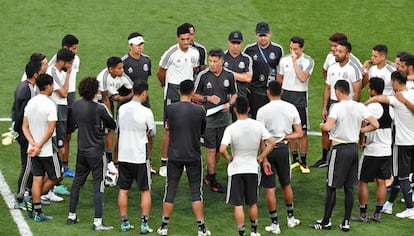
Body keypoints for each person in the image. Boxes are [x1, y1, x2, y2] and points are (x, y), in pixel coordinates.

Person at [310, 80, 378, 232]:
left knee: (331, 187)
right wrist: (361, 131)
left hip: (340, 150)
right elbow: (375, 124)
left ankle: (326, 221)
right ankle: (346, 222)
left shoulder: (337, 107)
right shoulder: (359, 106)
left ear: (338, 91)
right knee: (348, 188)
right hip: (354, 149)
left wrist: (322, 126)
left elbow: (328, 126)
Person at [157, 80, 211, 236]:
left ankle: (164, 227)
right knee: (196, 192)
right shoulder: (200, 110)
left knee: (171, 189)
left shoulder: (170, 109)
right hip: (193, 155)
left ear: (179, 91)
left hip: (175, 155)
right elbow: (202, 130)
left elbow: (168, 129)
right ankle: (201, 228)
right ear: (192, 91)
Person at [66, 76, 117, 230]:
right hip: (96, 152)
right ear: (95, 90)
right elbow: (112, 124)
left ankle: (71, 215)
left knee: (77, 184)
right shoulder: (100, 108)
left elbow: (71, 124)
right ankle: (97, 222)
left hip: (82, 150)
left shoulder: (76, 104)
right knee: (98, 186)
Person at [220, 96, 275, 236]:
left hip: (236, 169)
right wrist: (262, 157)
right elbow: (272, 142)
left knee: (238, 204)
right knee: (252, 202)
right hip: (252, 168)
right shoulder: (257, 125)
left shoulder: (231, 128)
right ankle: (255, 231)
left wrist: (228, 158)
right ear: (249, 109)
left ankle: (242, 233)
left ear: (235, 110)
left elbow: (221, 149)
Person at [365, 70, 414, 219]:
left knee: (403, 176)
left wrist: (363, 104)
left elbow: (379, 98)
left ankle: (410, 209)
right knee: (399, 175)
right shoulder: (412, 93)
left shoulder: (397, 98)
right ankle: (389, 204)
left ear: (394, 82)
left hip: (402, 143)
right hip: (413, 141)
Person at [256, 80, 303, 234]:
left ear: (268, 92)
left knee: (269, 188)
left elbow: (259, 137)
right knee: (286, 184)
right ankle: (291, 218)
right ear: (281, 92)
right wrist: (285, 137)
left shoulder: (262, 111)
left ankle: (275, 223)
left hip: (268, 150)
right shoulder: (291, 108)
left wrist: (264, 158)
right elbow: (299, 133)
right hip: (283, 149)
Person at [312, 32, 363, 168]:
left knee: (345, 131)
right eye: (336, 51)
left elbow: (357, 92)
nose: (336, 53)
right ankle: (325, 158)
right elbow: (327, 87)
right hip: (333, 103)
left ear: (347, 54)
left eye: (339, 51)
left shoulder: (354, 68)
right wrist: (324, 107)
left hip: (347, 104)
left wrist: (353, 107)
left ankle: (348, 159)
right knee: (326, 130)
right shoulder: (332, 67)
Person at [157, 23, 200, 177]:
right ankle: (164, 162)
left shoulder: (195, 53)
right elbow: (160, 71)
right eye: (183, 39)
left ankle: (181, 160)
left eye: (188, 39)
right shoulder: (171, 53)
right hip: (173, 93)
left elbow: (193, 70)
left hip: (188, 93)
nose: (186, 42)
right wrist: (165, 85)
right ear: (178, 38)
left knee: (185, 128)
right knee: (169, 129)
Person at [193, 48, 237, 193]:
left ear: (222, 62)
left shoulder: (229, 76)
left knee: (219, 149)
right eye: (210, 61)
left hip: (223, 119)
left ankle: (208, 175)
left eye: (215, 61)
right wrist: (208, 98)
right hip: (209, 119)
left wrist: (229, 104)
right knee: (211, 150)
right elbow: (193, 95)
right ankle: (212, 180)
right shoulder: (203, 76)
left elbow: (234, 94)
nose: (211, 64)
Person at [351, 77, 393, 223]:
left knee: (363, 181)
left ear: (373, 90)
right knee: (381, 181)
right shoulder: (390, 107)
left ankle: (363, 214)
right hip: (387, 150)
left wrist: (361, 142)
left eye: (369, 88)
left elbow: (363, 127)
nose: (368, 90)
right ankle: (377, 213)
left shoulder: (372, 107)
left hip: (372, 150)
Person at [22, 73, 62, 222]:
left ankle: (37, 211)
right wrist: (38, 146)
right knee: (58, 176)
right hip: (47, 149)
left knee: (37, 178)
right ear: (49, 86)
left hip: (33, 149)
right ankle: (32, 200)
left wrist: (32, 144)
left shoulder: (31, 102)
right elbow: (51, 130)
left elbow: (24, 127)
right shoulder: (50, 104)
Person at [117, 81, 155, 233]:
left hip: (123, 155)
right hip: (140, 155)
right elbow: (152, 132)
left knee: (123, 189)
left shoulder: (122, 109)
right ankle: (144, 224)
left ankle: (124, 222)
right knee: (145, 190)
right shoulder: (146, 111)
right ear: (144, 93)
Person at [277, 36, 314, 174]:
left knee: (302, 132)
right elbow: (279, 78)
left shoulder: (308, 61)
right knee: (290, 131)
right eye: (291, 48)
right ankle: (294, 159)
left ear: (302, 48)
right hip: (286, 97)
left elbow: (302, 78)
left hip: (299, 99)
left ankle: (303, 161)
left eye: (296, 49)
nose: (293, 51)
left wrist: (295, 62)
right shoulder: (283, 60)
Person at [43, 48, 75, 202]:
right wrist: (68, 74)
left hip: (61, 110)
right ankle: (49, 187)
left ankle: (51, 186)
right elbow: (63, 93)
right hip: (57, 110)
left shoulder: (58, 72)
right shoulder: (53, 72)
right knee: (58, 148)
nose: (70, 67)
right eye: (69, 64)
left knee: (59, 147)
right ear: (62, 62)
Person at [121, 32, 156, 174]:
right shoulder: (123, 62)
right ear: (130, 45)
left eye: (142, 44)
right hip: (127, 101)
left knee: (148, 132)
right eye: (138, 45)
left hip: (144, 101)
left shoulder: (147, 60)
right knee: (124, 132)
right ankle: (118, 162)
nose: (141, 47)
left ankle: (148, 161)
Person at [12, 59, 43, 210]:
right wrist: (17, 130)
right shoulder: (29, 90)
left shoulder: (22, 86)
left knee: (30, 165)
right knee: (28, 166)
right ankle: (19, 197)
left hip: (22, 131)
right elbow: (23, 114)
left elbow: (15, 110)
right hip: (26, 133)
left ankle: (29, 194)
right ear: (36, 74)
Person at [48, 34, 80, 178]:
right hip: (61, 100)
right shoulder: (54, 64)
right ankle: (57, 168)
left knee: (68, 134)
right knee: (57, 134)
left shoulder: (75, 59)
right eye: (73, 48)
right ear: (65, 48)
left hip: (70, 97)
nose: (76, 51)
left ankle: (64, 166)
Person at [96, 56, 133, 175]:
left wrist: (124, 97)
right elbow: (106, 99)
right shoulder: (104, 78)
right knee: (103, 130)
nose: (122, 70)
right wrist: (110, 118)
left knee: (111, 129)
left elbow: (133, 89)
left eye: (122, 67)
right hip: (99, 102)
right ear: (111, 69)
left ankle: (109, 159)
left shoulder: (122, 75)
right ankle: (102, 160)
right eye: (119, 68)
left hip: (109, 100)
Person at [243, 21, 284, 119]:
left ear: (270, 34)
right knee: (255, 117)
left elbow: (281, 70)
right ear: (256, 35)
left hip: (271, 90)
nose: (263, 38)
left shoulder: (277, 49)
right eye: (260, 35)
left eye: (265, 35)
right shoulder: (249, 50)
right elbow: (244, 70)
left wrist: (279, 87)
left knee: (271, 118)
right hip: (254, 90)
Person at [223, 30, 253, 121]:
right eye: (233, 43)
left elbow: (248, 78)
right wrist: (241, 76)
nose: (235, 46)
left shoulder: (246, 58)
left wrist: (227, 72)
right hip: (224, 96)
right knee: (223, 124)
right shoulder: (222, 56)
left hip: (241, 97)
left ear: (241, 43)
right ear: (228, 42)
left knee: (240, 124)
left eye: (238, 43)